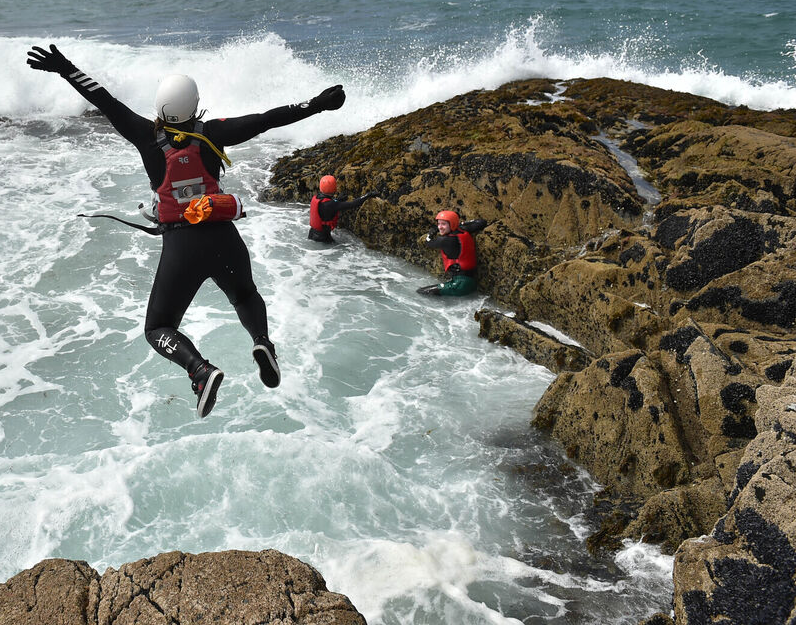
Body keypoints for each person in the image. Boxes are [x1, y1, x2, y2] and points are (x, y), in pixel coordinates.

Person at [26, 44, 347, 417]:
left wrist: (65, 68)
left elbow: (104, 100)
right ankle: (262, 343)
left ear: (160, 108)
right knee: (244, 296)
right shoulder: (213, 133)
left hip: (182, 246)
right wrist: (315, 105)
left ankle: (199, 370)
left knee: (158, 327)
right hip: (224, 237)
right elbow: (265, 119)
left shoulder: (146, 137)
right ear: (195, 106)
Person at [418, 209, 488, 296]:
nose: (440, 227)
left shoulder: (445, 240)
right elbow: (481, 222)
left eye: (443, 224)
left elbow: (428, 242)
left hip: (459, 285)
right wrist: (462, 224)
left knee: (421, 292)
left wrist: (430, 234)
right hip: (471, 283)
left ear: (452, 224)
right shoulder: (465, 230)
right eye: (438, 224)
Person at [308, 175, 379, 243]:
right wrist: (368, 195)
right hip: (322, 238)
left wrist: (338, 200)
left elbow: (328, 205)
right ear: (334, 188)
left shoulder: (317, 197)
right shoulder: (332, 204)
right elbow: (353, 204)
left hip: (312, 234)